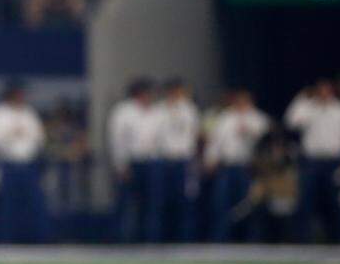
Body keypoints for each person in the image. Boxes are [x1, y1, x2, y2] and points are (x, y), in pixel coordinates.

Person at [285, 79, 340, 243]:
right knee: (305, 202)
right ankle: (303, 241)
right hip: (312, 162)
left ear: (332, 91)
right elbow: (290, 121)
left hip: (334, 162)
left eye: (327, 90)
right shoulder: (309, 108)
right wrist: (302, 98)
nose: (324, 93)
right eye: (321, 90)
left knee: (338, 204)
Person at [0, 80, 48, 242]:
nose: (21, 97)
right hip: (7, 165)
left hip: (28, 165)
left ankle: (38, 239)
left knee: (34, 203)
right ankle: (6, 239)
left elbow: (40, 138)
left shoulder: (28, 113)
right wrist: (10, 134)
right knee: (8, 206)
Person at [203, 89, 270, 241]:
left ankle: (250, 240)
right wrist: (211, 158)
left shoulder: (256, 117)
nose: (240, 104)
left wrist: (248, 129)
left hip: (248, 168)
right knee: (221, 204)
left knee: (247, 206)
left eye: (244, 101)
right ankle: (221, 239)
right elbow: (215, 141)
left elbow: (265, 132)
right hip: (227, 167)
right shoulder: (225, 118)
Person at [107, 78, 158, 242]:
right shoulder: (123, 112)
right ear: (139, 94)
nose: (150, 96)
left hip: (150, 162)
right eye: (147, 93)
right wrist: (121, 164)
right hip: (130, 162)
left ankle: (147, 239)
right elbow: (116, 140)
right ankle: (121, 240)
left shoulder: (154, 112)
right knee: (125, 204)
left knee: (148, 204)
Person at [151, 78, 200, 242]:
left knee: (184, 203)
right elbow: (154, 136)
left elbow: (194, 135)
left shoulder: (189, 110)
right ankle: (160, 239)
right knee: (161, 202)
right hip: (163, 161)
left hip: (183, 161)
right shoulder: (158, 110)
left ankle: (185, 239)